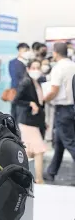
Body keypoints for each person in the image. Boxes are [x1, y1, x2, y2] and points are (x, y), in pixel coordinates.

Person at [43, 42, 75, 181]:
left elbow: (54, 90)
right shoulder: (73, 65)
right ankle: (52, 171)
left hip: (62, 109)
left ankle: (51, 171)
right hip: (71, 109)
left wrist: (43, 99)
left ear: (55, 53)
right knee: (60, 142)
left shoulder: (58, 68)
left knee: (69, 143)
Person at [13, 59, 47, 183]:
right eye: (33, 67)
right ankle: (38, 179)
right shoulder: (26, 82)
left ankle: (28, 179)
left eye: (38, 67)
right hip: (27, 121)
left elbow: (41, 102)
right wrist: (30, 103)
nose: (36, 70)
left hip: (34, 121)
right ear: (28, 69)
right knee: (38, 150)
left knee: (30, 151)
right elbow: (16, 100)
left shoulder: (36, 82)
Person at [8, 43, 31, 119]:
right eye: (25, 50)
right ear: (20, 50)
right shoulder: (13, 63)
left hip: (26, 93)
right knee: (16, 114)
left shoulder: (28, 62)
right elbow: (18, 78)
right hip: (17, 91)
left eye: (28, 50)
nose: (27, 52)